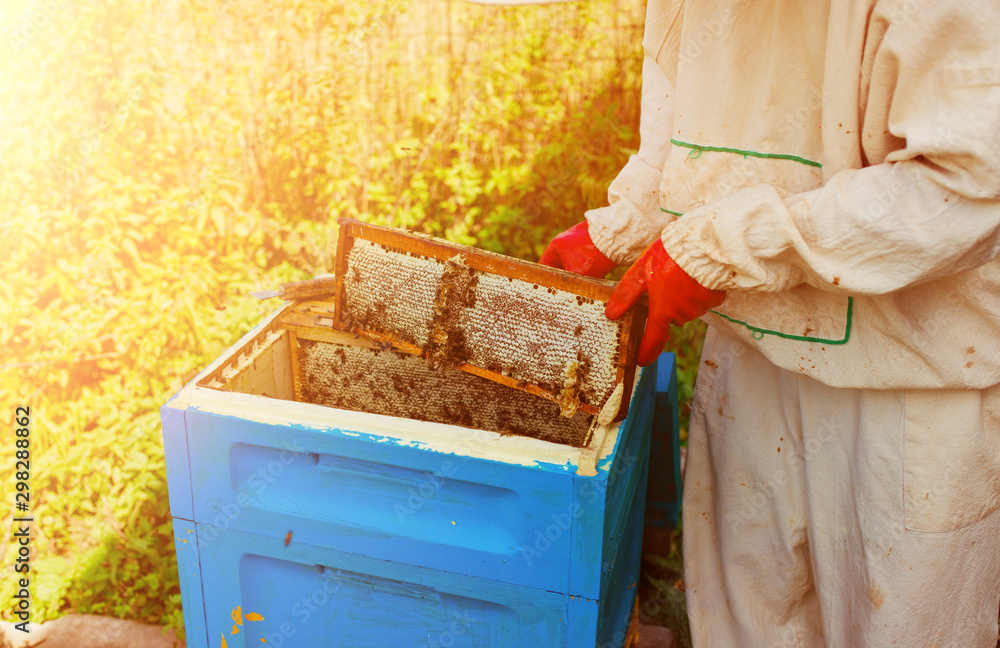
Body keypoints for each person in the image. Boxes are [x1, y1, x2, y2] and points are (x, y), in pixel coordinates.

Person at [540, 1, 1000, 646]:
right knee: (746, 622)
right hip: (753, 354)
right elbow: (689, 132)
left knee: (896, 628)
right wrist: (625, 223)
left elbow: (965, 187)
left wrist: (732, 249)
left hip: (907, 383)